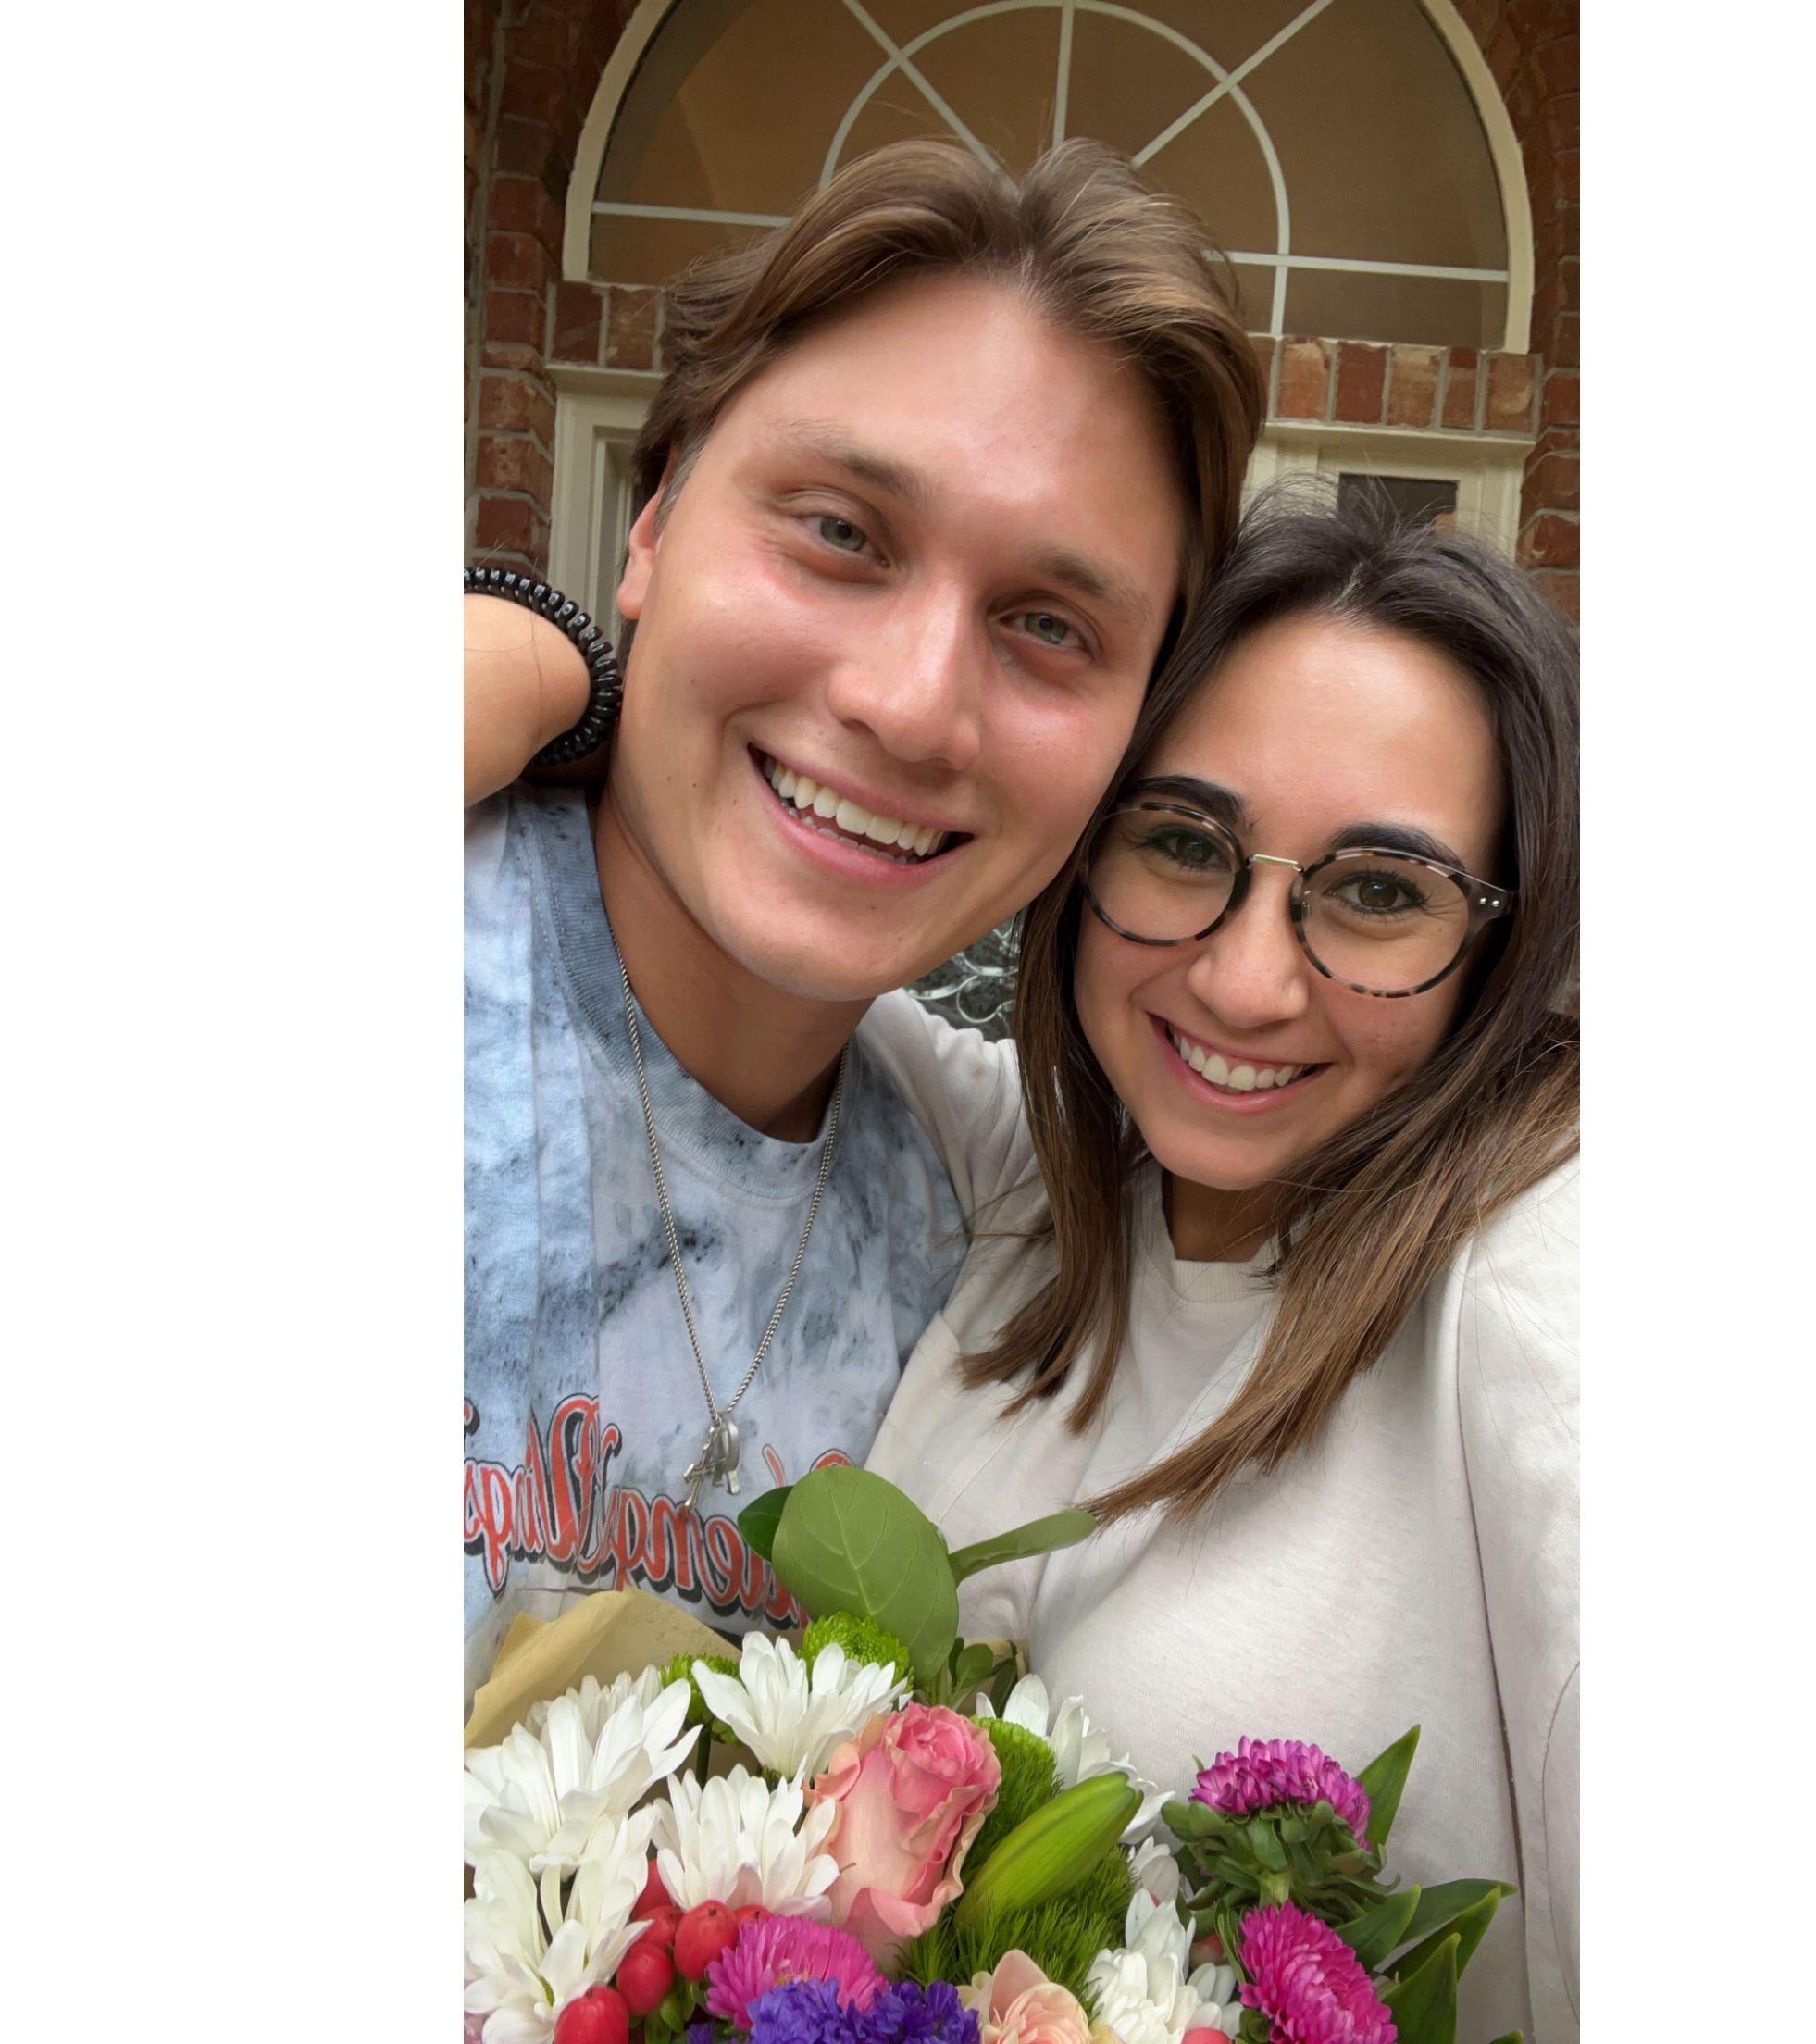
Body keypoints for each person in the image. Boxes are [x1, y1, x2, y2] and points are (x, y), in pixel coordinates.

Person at [461, 137, 1262, 1703]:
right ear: (651, 527)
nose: (909, 707)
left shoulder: (1008, 1256)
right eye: (837, 530)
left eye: (1049, 625)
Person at [854, 491, 1580, 2043]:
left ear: (1507, 947)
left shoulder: (1537, 1279)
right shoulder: (1032, 1188)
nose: (1247, 982)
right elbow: (708, 907)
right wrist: (557, 649)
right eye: (1184, 844)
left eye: (1383, 891)